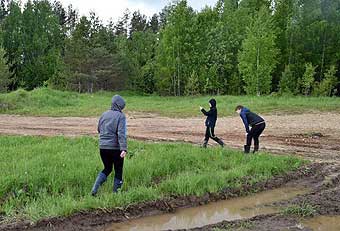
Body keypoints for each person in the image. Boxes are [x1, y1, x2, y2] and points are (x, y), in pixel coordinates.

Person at [91, 95, 127, 196]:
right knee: (118, 170)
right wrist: (123, 148)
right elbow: (121, 133)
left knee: (107, 168)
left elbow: (99, 129)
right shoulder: (121, 116)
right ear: (121, 106)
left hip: (102, 147)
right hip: (115, 148)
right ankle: (116, 194)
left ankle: (94, 189)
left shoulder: (104, 114)